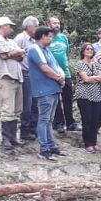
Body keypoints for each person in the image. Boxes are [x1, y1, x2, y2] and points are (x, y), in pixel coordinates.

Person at [0, 16, 25, 150]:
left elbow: (19, 55)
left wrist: (11, 54)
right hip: (4, 76)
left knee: (16, 109)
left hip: (16, 76)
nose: (11, 29)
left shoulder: (11, 41)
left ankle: (13, 137)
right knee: (7, 109)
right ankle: (6, 139)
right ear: (4, 26)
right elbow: (8, 53)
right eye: (10, 26)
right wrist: (12, 53)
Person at [28, 26, 66, 161]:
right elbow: (44, 68)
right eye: (49, 36)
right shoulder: (34, 49)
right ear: (43, 36)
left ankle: (51, 146)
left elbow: (55, 66)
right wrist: (58, 78)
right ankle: (44, 149)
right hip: (44, 90)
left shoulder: (46, 50)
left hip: (53, 89)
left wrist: (61, 77)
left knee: (49, 120)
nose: (51, 39)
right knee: (44, 120)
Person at [48, 16, 79, 133]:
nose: (57, 25)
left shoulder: (63, 38)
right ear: (49, 24)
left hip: (65, 73)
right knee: (55, 100)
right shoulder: (47, 38)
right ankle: (58, 123)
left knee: (68, 98)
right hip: (52, 74)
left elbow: (66, 53)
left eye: (58, 23)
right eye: (54, 23)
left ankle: (70, 122)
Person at [75, 43, 101, 153]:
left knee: (96, 121)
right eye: (87, 49)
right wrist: (94, 78)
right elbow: (85, 79)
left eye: (91, 49)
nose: (90, 50)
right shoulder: (80, 63)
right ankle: (87, 143)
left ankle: (94, 142)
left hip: (96, 96)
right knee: (87, 120)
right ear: (83, 51)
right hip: (84, 96)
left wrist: (92, 78)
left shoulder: (96, 64)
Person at [15, 16, 40, 141]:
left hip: (34, 74)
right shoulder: (20, 38)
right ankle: (24, 130)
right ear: (29, 27)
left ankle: (33, 129)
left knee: (36, 103)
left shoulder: (35, 40)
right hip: (24, 73)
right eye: (35, 26)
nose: (37, 28)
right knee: (27, 104)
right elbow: (14, 55)